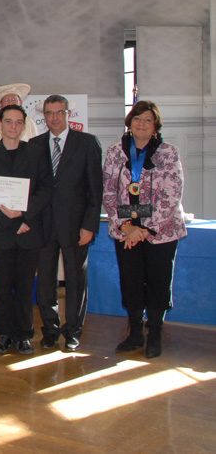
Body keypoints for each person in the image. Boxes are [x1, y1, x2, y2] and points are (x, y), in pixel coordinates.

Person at [103, 100, 187, 359]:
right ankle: (135, 333)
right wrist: (128, 227)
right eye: (137, 118)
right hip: (126, 229)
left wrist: (145, 229)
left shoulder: (168, 152)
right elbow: (108, 192)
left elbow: (172, 194)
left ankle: (155, 334)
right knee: (131, 281)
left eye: (148, 120)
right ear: (130, 122)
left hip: (161, 231)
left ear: (155, 126)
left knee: (158, 282)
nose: (142, 124)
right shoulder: (115, 152)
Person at [0, 104, 53, 355]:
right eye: (8, 121)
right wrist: (12, 223)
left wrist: (24, 216)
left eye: (18, 122)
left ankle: (24, 335)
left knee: (26, 287)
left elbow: (46, 189)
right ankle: (4, 334)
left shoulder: (36, 153)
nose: (13, 126)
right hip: (1, 231)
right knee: (3, 286)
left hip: (29, 230)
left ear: (24, 126)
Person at [34, 95, 103, 352]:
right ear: (44, 115)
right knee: (45, 281)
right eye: (49, 113)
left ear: (68, 114)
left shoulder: (87, 143)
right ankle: (50, 329)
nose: (54, 118)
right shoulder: (35, 144)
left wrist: (90, 225)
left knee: (75, 280)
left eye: (59, 112)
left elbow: (95, 189)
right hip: (43, 225)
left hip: (76, 226)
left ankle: (73, 330)